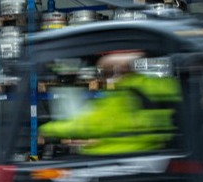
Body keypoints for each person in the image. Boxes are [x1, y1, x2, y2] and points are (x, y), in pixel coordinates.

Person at [40, 51, 182, 155]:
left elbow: (89, 125)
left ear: (119, 71)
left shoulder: (123, 92)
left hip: (115, 156)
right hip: (152, 151)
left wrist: (47, 130)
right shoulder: (161, 86)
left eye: (106, 73)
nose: (105, 79)